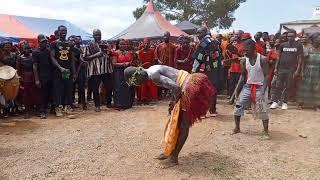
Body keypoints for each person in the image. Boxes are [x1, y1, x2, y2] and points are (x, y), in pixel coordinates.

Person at [124, 65, 215, 167]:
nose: (139, 84)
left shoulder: (153, 75)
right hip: (189, 83)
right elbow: (174, 84)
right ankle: (171, 152)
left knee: (183, 124)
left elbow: (176, 87)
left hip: (188, 88)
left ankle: (174, 158)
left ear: (138, 75)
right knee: (179, 122)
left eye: (136, 81)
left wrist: (174, 102)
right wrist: (174, 102)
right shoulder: (152, 68)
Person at [233, 39, 270, 138]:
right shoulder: (244, 60)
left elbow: (267, 76)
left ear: (253, 49)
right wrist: (237, 91)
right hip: (248, 86)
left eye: (246, 51)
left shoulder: (262, 59)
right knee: (238, 107)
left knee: (262, 109)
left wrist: (263, 91)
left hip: (260, 87)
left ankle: (265, 131)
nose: (244, 53)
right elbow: (242, 76)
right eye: (243, 51)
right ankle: (237, 128)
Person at [270, 31, 303, 110]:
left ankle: (285, 102)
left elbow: (300, 58)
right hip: (281, 68)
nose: (289, 38)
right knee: (278, 85)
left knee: (288, 86)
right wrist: (276, 68)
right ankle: (275, 102)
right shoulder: (283, 45)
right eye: (288, 36)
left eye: (291, 36)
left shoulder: (298, 45)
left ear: (295, 36)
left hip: (291, 69)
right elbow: (278, 57)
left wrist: (297, 70)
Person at [84, 29, 113, 112]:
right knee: (95, 88)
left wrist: (108, 52)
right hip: (95, 70)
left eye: (99, 34)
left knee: (109, 87)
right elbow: (85, 57)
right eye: (96, 35)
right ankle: (97, 105)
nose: (98, 36)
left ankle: (108, 103)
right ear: (93, 35)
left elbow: (110, 54)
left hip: (106, 69)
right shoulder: (89, 44)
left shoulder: (105, 43)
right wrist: (97, 54)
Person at [50, 25, 76, 117]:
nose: (63, 32)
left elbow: (72, 58)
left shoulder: (70, 44)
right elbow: (52, 57)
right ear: (58, 31)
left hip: (68, 70)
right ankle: (58, 108)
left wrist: (74, 72)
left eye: (65, 30)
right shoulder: (54, 43)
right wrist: (60, 68)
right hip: (58, 70)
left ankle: (68, 106)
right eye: (62, 30)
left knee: (68, 88)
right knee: (58, 89)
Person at [296, 32, 320, 111]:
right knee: (305, 87)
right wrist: (302, 71)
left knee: (316, 88)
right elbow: (303, 61)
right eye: (317, 38)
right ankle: (300, 103)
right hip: (307, 70)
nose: (319, 39)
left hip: (317, 71)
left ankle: (316, 105)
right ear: (313, 40)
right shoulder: (307, 49)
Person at [16, 42, 40, 118]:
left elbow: (36, 67)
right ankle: (27, 111)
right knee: (26, 96)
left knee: (35, 94)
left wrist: (37, 78)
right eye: (25, 48)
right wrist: (19, 79)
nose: (27, 50)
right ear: (22, 49)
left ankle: (37, 111)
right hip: (24, 77)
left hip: (33, 76)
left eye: (29, 48)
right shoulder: (20, 58)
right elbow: (18, 69)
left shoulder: (33, 56)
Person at [33, 34, 53, 119]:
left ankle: (46, 109)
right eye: (43, 42)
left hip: (49, 75)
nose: (45, 43)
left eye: (45, 42)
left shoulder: (48, 51)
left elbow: (51, 62)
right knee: (42, 95)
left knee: (48, 93)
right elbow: (34, 66)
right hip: (41, 76)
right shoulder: (35, 52)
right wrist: (37, 79)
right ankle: (41, 111)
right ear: (39, 42)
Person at [112, 40, 135, 110]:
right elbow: (114, 63)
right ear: (118, 45)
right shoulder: (115, 53)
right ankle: (119, 104)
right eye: (121, 44)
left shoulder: (128, 53)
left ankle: (126, 104)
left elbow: (131, 61)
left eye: (124, 44)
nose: (123, 45)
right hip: (118, 72)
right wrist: (124, 64)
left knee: (126, 87)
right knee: (119, 88)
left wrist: (131, 63)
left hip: (127, 72)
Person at [136, 38, 158, 103]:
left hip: (150, 69)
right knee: (143, 84)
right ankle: (142, 98)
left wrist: (151, 69)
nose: (146, 45)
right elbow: (139, 62)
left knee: (150, 83)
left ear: (149, 44)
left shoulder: (152, 51)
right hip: (142, 69)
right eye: (145, 43)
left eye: (147, 43)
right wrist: (142, 69)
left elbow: (153, 61)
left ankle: (150, 98)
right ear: (143, 44)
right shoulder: (140, 52)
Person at [71, 36, 87, 110]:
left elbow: (81, 62)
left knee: (81, 87)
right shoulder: (67, 50)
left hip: (79, 71)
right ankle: (71, 103)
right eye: (71, 41)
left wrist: (76, 73)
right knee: (71, 88)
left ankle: (83, 104)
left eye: (73, 40)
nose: (72, 42)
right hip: (71, 72)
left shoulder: (78, 50)